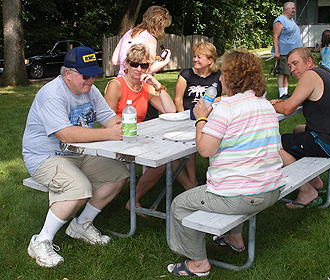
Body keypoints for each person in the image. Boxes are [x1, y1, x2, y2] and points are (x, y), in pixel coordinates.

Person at [167, 49, 286, 277]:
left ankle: (198, 263)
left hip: (243, 195)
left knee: (179, 205)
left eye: (223, 74)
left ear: (231, 78)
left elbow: (204, 149)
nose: (219, 78)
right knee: (237, 177)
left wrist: (202, 117)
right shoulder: (264, 105)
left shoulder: (226, 109)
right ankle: (235, 238)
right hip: (272, 188)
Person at [22, 46, 129, 267]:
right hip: (44, 156)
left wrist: (121, 125)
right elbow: (66, 134)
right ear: (68, 73)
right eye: (85, 76)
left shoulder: (90, 90)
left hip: (78, 153)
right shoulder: (52, 94)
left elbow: (108, 116)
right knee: (79, 188)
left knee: (119, 174)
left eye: (94, 75)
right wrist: (107, 133)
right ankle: (40, 240)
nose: (90, 81)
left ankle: (82, 224)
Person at [104, 43, 195, 215]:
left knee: (165, 156)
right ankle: (188, 187)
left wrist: (156, 83)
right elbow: (107, 118)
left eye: (144, 65)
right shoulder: (116, 85)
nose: (139, 69)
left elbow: (170, 110)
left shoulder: (145, 86)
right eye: (134, 64)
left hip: (136, 136)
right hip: (116, 136)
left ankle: (134, 198)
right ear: (126, 64)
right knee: (163, 156)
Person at [271, 47, 330, 209]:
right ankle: (314, 180)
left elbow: (288, 108)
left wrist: (270, 105)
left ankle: (306, 191)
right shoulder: (324, 72)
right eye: (290, 66)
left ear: (309, 62)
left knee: (272, 144)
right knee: (298, 129)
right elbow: (296, 101)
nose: (292, 69)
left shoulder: (309, 76)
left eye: (295, 63)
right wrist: (284, 104)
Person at [174, 42, 222, 186]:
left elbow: (227, 96)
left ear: (210, 60)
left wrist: (218, 98)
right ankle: (192, 179)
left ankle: (216, 175)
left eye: (199, 57)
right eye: (194, 56)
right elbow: (177, 99)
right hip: (188, 116)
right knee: (190, 140)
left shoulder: (218, 76)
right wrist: (183, 116)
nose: (195, 60)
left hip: (210, 118)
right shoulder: (186, 74)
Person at [112, 5, 172, 121]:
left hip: (122, 81)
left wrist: (130, 63)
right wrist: (165, 62)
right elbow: (146, 68)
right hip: (140, 85)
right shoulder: (150, 38)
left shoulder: (129, 32)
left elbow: (115, 60)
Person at [272, 1, 302, 99]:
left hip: (292, 53)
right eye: (292, 8)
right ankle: (281, 94)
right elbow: (275, 36)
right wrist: (277, 51)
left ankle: (286, 92)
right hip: (283, 52)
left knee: (288, 73)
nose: (294, 10)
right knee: (282, 73)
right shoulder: (280, 20)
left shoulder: (290, 20)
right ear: (286, 9)